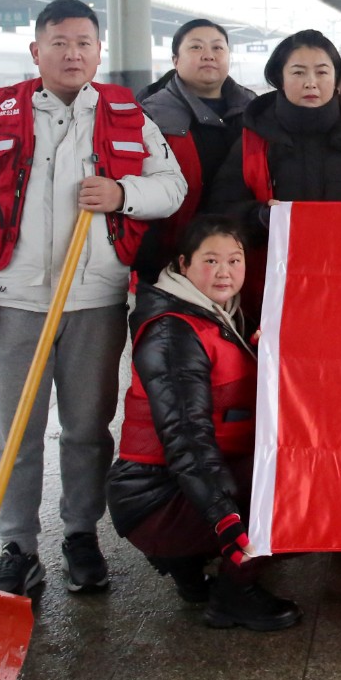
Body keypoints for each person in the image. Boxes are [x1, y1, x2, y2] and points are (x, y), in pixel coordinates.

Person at [0, 0, 186, 596]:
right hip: (15, 300)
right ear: (36, 50)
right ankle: (17, 545)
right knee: (14, 431)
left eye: (83, 43)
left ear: (99, 51)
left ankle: (80, 534)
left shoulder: (127, 116)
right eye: (59, 42)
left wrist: (123, 192)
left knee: (87, 428)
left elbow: (170, 187)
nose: (73, 53)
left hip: (94, 301)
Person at [106, 215, 301, 630]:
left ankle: (188, 567)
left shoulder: (220, 315)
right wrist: (225, 519)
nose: (225, 272)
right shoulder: (173, 334)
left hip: (173, 487)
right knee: (299, 482)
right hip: (155, 496)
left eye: (234, 260)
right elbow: (188, 439)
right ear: (183, 264)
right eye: (211, 261)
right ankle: (234, 594)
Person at [206, 29, 341, 245]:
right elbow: (221, 209)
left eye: (321, 72)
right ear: (280, 78)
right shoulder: (253, 141)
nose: (310, 83)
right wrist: (260, 217)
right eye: (298, 72)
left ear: (336, 79)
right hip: (275, 270)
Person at [133, 18, 255, 281]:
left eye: (218, 48)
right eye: (196, 47)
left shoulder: (257, 112)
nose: (209, 55)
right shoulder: (149, 115)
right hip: (169, 257)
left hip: (241, 255)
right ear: (175, 60)